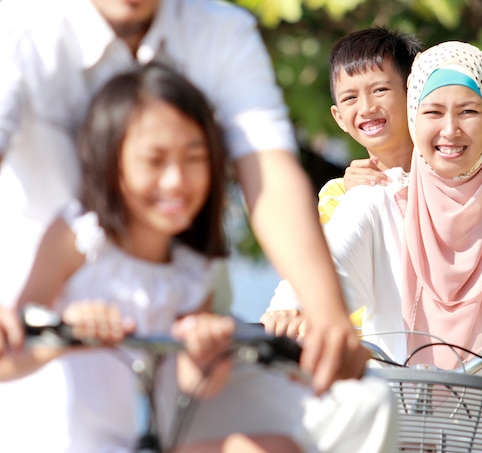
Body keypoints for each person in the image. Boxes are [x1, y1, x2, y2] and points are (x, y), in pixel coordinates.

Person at [0, 64, 397, 453]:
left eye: (194, 159)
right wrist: (65, 333)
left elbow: (198, 385)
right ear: (111, 161)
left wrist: (205, 349)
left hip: (166, 434)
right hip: (77, 440)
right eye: (154, 161)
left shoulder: (194, 264)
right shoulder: (78, 235)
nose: (176, 180)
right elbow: (10, 356)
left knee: (274, 447)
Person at [0, 0, 364, 394]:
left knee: (359, 404)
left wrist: (327, 314)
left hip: (174, 342)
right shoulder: (19, 28)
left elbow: (269, 172)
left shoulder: (221, 30)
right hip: (29, 327)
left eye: (194, 157)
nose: (174, 181)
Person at [269, 40, 482, 452]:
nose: (450, 130)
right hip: (392, 424)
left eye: (469, 111)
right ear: (414, 117)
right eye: (434, 112)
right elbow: (329, 263)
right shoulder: (374, 199)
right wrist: (291, 306)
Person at [262, 27, 482, 335]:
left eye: (380, 90)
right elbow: (323, 262)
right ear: (338, 116)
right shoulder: (346, 194)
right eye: (350, 97)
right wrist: (290, 305)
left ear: (413, 96)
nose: (366, 107)